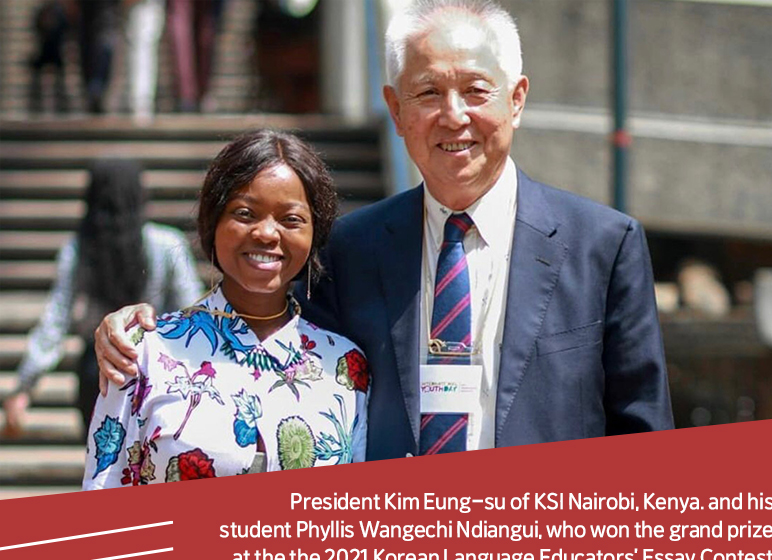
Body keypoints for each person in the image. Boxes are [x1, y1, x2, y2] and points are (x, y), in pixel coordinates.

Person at [93, 0, 673, 461]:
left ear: (516, 100)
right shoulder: (352, 248)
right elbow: (266, 346)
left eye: (475, 91)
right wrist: (144, 336)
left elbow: (644, 438)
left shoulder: (603, 245)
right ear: (396, 111)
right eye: (428, 93)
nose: (453, 116)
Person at [83, 130, 368, 488]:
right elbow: (103, 490)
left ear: (315, 235)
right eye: (245, 213)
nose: (267, 233)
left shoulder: (346, 367)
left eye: (291, 219)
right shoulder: (142, 352)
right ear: (213, 222)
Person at [1, 159, 202, 438]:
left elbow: (55, 320)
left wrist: (25, 386)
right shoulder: (167, 244)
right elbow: (191, 310)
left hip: (97, 374)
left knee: (103, 471)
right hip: (156, 370)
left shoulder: (80, 249)